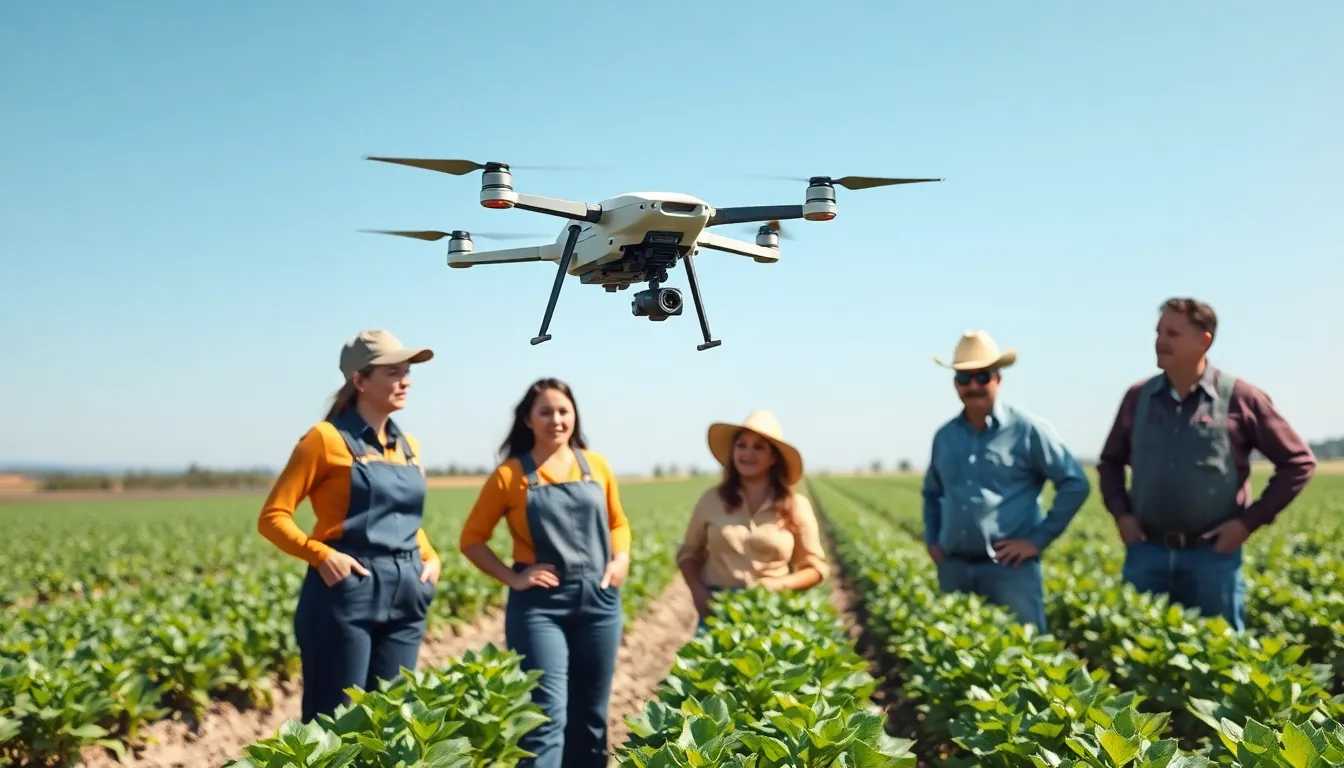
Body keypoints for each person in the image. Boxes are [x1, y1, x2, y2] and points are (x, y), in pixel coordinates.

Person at [1097, 298, 1317, 631]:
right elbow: (1110, 462)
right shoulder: (1137, 398)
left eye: (1172, 333)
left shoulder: (1240, 398)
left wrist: (1247, 524)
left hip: (1212, 557)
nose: (1160, 341)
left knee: (1221, 663)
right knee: (1140, 661)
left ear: (1204, 341)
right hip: (1147, 554)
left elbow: (1298, 462)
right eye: (1158, 332)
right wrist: (1122, 515)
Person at [257, 329, 442, 723]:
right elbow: (273, 516)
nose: (405, 380)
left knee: (393, 723)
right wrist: (322, 555)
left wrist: (429, 555)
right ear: (359, 380)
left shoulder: (408, 445)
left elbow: (404, 517)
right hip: (347, 595)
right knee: (336, 726)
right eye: (393, 372)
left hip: (407, 595)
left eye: (407, 371)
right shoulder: (323, 440)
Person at [458, 377, 631, 768]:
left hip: (600, 603)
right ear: (527, 420)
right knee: (545, 714)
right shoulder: (510, 475)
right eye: (546, 411)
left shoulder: (596, 465)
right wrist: (513, 577)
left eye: (564, 411)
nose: (556, 419)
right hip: (540, 609)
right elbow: (472, 539)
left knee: (591, 713)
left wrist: (620, 559)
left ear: (575, 416)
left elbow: (619, 523)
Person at [921, 330, 1091, 632]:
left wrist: (1038, 540)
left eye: (982, 376)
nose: (973, 386)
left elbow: (1075, 482)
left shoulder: (1028, 430)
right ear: (955, 384)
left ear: (998, 378)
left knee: (1025, 657)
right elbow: (932, 492)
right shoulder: (944, 436)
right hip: (954, 567)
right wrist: (932, 538)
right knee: (957, 662)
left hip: (1009, 570)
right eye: (964, 378)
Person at [675, 410, 829, 630]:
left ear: (774, 457)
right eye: (741, 445)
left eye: (759, 447)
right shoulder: (711, 501)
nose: (748, 453)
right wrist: (699, 594)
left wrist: (778, 585)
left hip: (774, 609)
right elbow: (688, 554)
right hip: (718, 608)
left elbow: (815, 569)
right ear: (733, 451)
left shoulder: (796, 506)